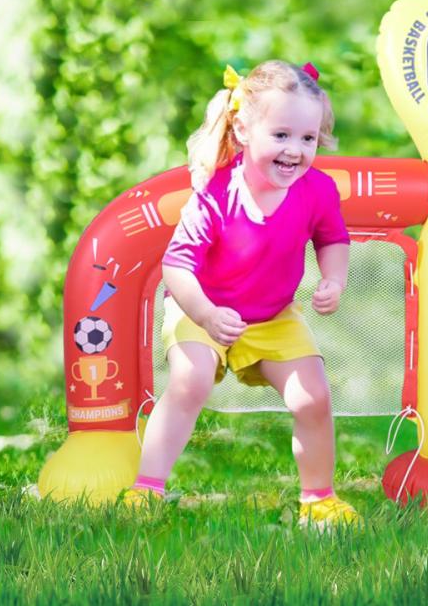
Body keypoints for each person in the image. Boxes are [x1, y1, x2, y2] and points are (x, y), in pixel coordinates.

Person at [124, 60, 359, 529]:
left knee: (313, 397)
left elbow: (332, 239)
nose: (295, 151)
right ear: (244, 129)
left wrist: (334, 279)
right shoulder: (216, 191)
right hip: (202, 307)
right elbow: (176, 265)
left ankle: (319, 500)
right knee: (189, 381)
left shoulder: (317, 190)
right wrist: (207, 316)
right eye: (282, 136)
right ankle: (146, 490)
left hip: (272, 316)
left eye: (308, 139)